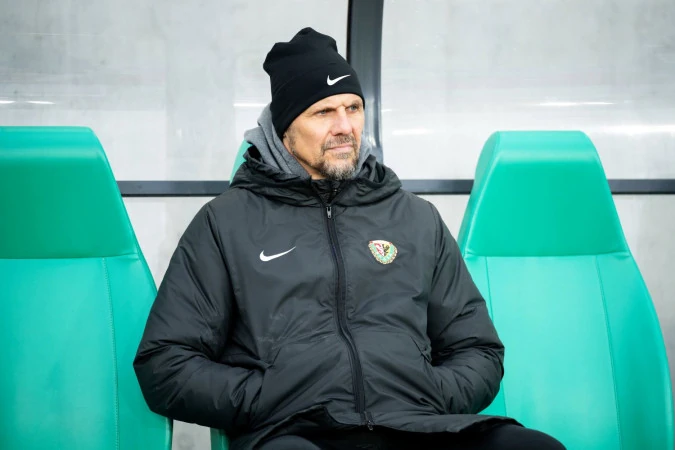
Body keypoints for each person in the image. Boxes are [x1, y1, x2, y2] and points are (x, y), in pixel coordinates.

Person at [134, 28, 565, 450]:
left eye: (353, 108)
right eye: (323, 112)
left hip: (419, 425)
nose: (345, 126)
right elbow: (165, 363)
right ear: (284, 130)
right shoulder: (225, 223)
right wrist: (267, 398)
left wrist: (430, 391)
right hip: (297, 433)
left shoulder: (416, 218)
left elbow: (478, 349)